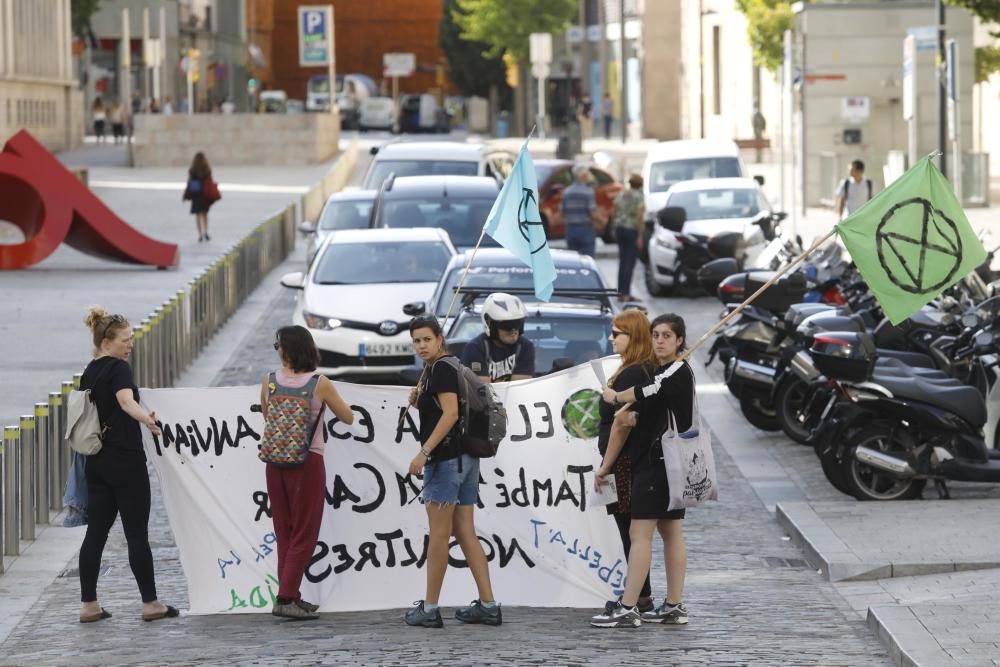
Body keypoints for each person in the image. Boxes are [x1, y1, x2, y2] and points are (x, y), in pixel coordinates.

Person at [591, 313, 692, 628]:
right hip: (665, 462)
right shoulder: (663, 371)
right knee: (669, 532)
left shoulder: (672, 373)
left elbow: (639, 399)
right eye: (656, 335)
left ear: (679, 340)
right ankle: (673, 605)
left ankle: (630, 606)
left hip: (656, 461)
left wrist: (614, 397)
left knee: (640, 534)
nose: (660, 341)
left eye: (666, 336)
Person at [77, 307, 177, 624]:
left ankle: (89, 605)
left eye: (131, 339)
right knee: (136, 534)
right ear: (107, 341)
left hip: (96, 462)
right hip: (125, 460)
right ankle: (151, 604)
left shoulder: (90, 371)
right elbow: (125, 401)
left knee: (95, 534)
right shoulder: (119, 369)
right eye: (125, 339)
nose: (130, 345)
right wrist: (146, 419)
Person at [404, 316, 501, 628]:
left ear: (439, 338)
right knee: (465, 532)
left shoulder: (442, 369)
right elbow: (443, 410)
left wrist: (423, 452)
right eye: (416, 340)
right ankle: (487, 604)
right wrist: (420, 402)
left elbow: (451, 414)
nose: (421, 346)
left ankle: (430, 609)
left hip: (445, 461)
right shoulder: (446, 366)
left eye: (426, 339)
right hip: (465, 459)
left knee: (439, 537)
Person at [261, 326, 354, 620]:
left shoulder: (270, 381)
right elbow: (348, 417)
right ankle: (286, 597)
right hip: (307, 462)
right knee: (305, 531)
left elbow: (267, 416)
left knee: (284, 530)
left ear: (284, 349)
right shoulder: (320, 383)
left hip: (275, 462)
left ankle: (292, 594)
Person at [596, 310, 658, 613]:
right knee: (629, 531)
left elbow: (624, 422)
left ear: (633, 337)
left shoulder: (634, 372)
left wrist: (605, 466)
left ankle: (639, 596)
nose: (611, 337)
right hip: (621, 460)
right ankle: (640, 593)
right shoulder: (634, 368)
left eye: (617, 333)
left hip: (622, 463)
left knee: (630, 531)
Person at [460, 293, 536, 383]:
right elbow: (482, 390)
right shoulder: (475, 348)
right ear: (491, 326)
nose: (514, 330)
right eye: (507, 325)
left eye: (518, 324)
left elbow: (519, 387)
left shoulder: (525, 347)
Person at [612, 174, 646, 301]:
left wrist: (616, 224)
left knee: (622, 261)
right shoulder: (639, 196)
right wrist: (640, 236)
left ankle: (621, 292)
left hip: (620, 228)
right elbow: (639, 216)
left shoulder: (621, 194)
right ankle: (626, 293)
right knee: (629, 262)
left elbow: (613, 210)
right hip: (632, 229)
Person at [561, 166, 599, 258]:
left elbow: (562, 212)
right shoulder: (588, 191)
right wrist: (602, 220)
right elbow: (592, 213)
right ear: (583, 176)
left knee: (573, 259)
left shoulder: (567, 192)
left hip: (570, 229)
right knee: (587, 259)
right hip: (585, 228)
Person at [183, 152, 215, 242]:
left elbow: (188, 182)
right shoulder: (206, 169)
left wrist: (186, 193)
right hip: (204, 195)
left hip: (196, 195)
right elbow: (210, 181)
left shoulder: (192, 170)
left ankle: (200, 234)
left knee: (197, 215)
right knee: (205, 214)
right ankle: (206, 232)